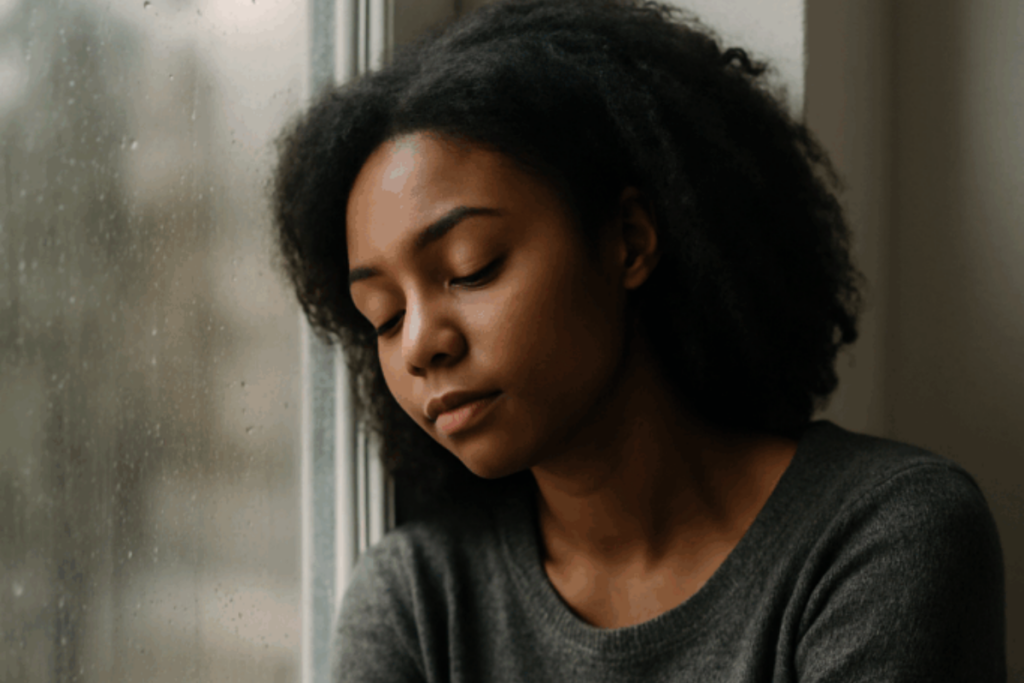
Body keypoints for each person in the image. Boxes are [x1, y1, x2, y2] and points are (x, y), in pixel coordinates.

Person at [270, 0, 1006, 680]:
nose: (419, 343)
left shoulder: (880, 537)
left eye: (472, 267)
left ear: (628, 240)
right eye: (383, 315)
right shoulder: (417, 601)